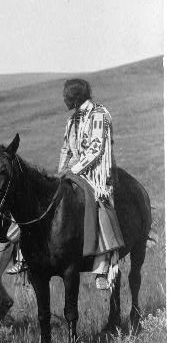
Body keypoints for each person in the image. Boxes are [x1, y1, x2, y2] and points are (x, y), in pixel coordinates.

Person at [57, 78, 124, 290]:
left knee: (98, 203)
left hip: (97, 174)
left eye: (66, 95)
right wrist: (61, 173)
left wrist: (75, 169)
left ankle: (102, 267)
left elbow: (96, 149)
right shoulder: (71, 121)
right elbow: (66, 149)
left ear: (75, 97)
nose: (64, 99)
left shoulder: (99, 115)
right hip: (76, 171)